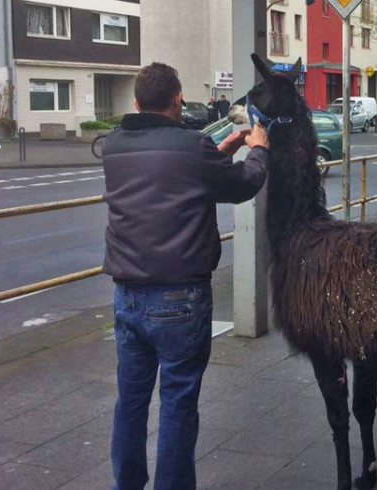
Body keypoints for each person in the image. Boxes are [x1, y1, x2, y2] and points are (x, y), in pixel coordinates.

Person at [102, 62, 269, 490]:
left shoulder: (115, 146)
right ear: (178, 100)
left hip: (127, 297)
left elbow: (170, 174)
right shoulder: (191, 147)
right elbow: (244, 184)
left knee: (131, 401)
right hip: (180, 298)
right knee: (177, 402)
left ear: (137, 102)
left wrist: (218, 154)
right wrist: (259, 148)